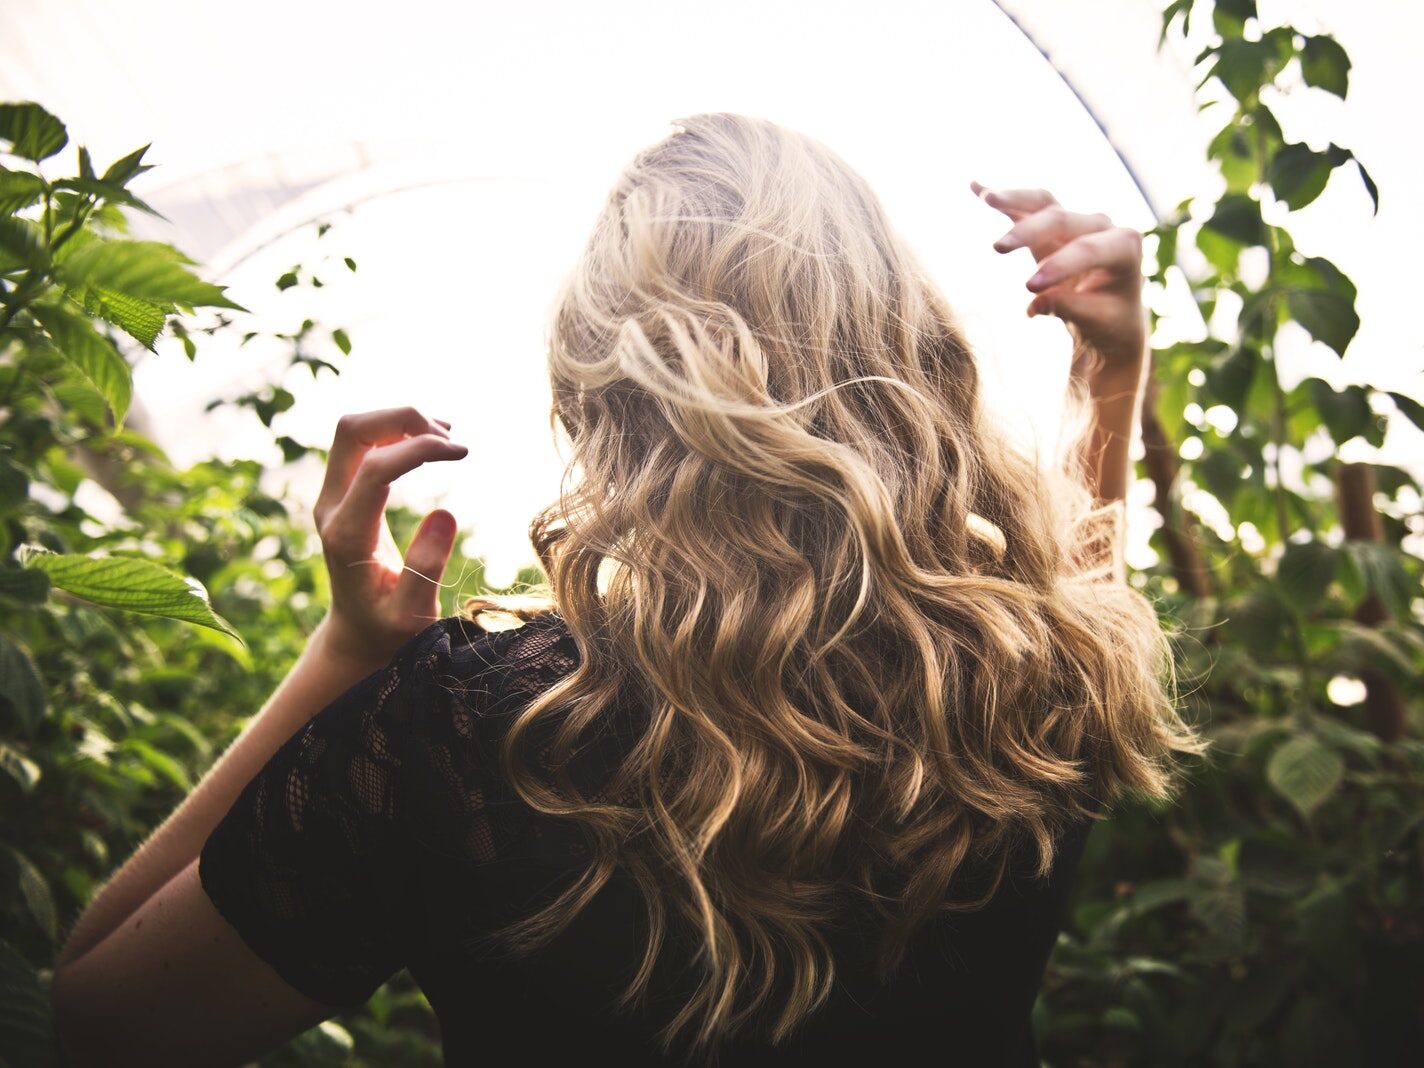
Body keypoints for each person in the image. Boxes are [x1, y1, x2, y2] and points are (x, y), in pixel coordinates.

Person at [50, 113, 1206, 1066]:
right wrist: (1108, 371)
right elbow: (1076, 592)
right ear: (903, 345)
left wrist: (348, 655)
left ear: (601, 388)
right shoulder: (1036, 678)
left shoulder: (467, 735)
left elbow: (95, 1023)